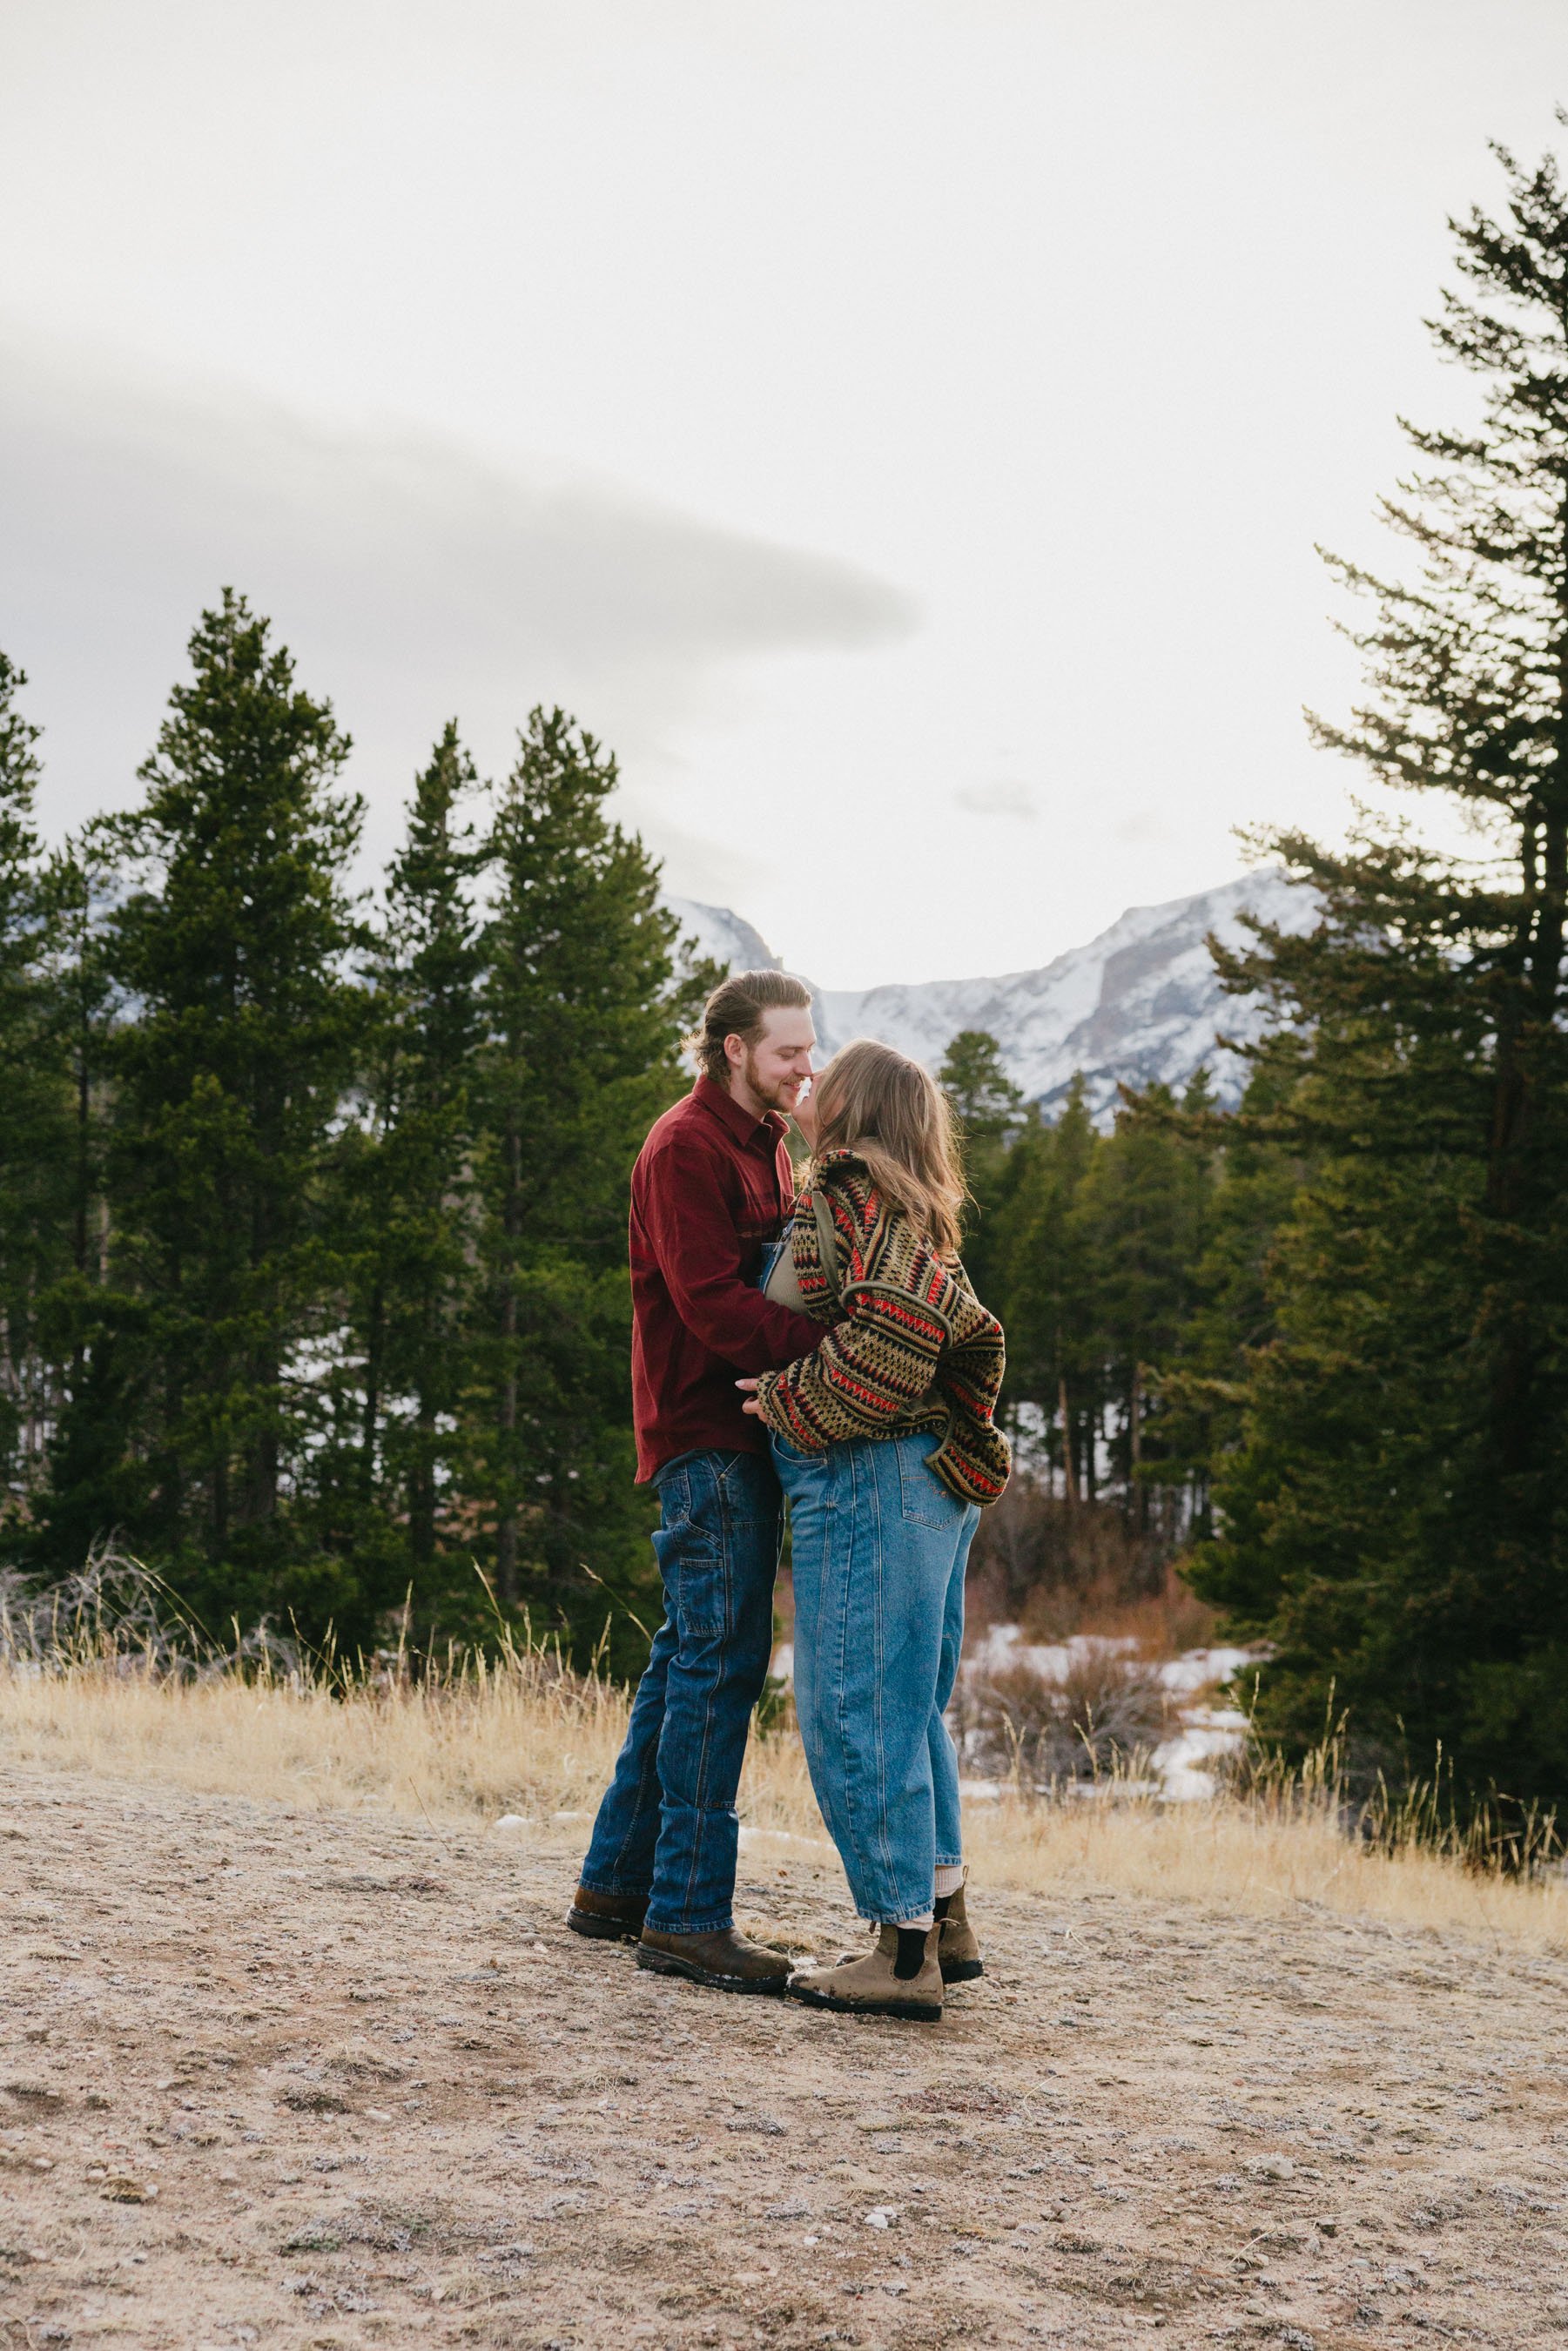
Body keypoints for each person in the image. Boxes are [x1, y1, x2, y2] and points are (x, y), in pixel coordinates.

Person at [739, 1038, 1010, 2023]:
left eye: (827, 1077)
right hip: (923, 1478)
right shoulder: (913, 1205)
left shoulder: (852, 1189)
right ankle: (942, 1921)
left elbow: (896, 1331)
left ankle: (900, 1957)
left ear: (856, 1109)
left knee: (852, 1707)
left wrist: (786, 1398)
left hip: (875, 1473)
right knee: (908, 1708)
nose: (808, 1083)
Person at [569, 970, 824, 1993]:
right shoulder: (684, 1145)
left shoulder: (769, 1141)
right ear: (734, 1050)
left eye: (808, 1048)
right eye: (788, 1051)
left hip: (742, 1431)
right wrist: (836, 1352)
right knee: (721, 1665)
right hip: (705, 1434)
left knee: (687, 1657)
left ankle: (614, 1888)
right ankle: (685, 1917)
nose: (805, 1066)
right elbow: (713, 1303)